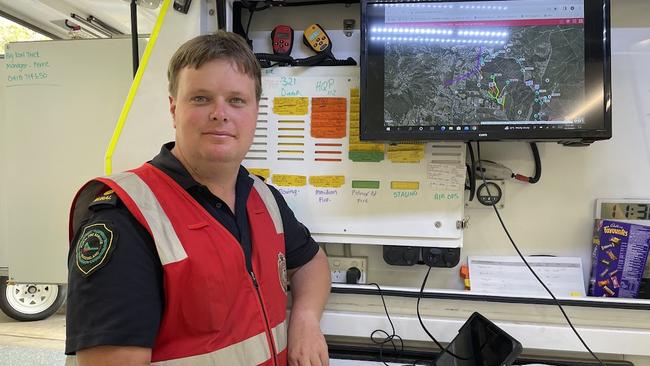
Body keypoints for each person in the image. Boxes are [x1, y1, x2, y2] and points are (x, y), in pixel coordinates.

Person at [65, 31, 331, 366]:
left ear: (255, 112)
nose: (220, 113)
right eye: (201, 98)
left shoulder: (262, 197)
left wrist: (305, 319)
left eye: (236, 100)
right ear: (174, 109)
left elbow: (311, 262)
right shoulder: (126, 220)